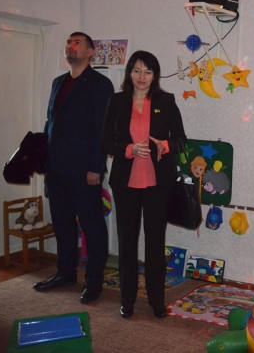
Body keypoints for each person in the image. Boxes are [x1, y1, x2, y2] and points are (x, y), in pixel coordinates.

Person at [101, 50, 186, 319]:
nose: (142, 77)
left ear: (154, 75)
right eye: (137, 70)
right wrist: (128, 150)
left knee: (155, 242)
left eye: (147, 72)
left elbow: (181, 140)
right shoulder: (117, 101)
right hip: (125, 183)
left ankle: (156, 301)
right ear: (129, 73)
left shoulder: (166, 101)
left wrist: (164, 145)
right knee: (127, 243)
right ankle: (126, 301)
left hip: (157, 183)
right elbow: (105, 141)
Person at [35, 32, 114, 305]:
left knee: (93, 228)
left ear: (91, 52)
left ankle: (94, 281)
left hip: (84, 171)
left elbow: (102, 129)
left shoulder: (100, 84)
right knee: (62, 225)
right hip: (56, 169)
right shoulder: (58, 82)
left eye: (77, 43)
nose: (71, 46)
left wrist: (96, 167)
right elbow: (51, 122)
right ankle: (66, 273)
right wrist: (43, 159)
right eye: (68, 42)